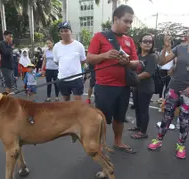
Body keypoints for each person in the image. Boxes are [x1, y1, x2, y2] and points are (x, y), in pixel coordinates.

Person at [147, 22, 189, 159]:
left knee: (184, 120)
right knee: (167, 116)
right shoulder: (179, 48)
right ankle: (158, 140)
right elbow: (161, 62)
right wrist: (166, 47)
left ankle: (181, 145)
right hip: (173, 88)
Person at [87, 5, 141, 154]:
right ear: (116, 19)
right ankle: (99, 145)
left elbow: (136, 62)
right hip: (105, 86)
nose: (129, 25)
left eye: (131, 22)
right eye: (126, 21)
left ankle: (118, 141)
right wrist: (104, 55)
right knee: (102, 119)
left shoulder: (129, 40)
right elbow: (89, 58)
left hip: (124, 86)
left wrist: (127, 62)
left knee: (120, 117)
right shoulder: (99, 36)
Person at [128, 33, 158, 139]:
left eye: (150, 42)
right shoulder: (137, 55)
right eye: (145, 41)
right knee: (137, 108)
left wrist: (132, 79)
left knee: (143, 110)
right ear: (140, 43)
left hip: (146, 88)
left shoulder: (153, 56)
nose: (148, 43)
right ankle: (138, 126)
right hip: (136, 87)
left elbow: (148, 73)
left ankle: (143, 132)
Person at [53, 21, 86, 101]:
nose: (64, 33)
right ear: (59, 34)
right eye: (62, 31)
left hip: (76, 78)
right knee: (66, 101)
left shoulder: (79, 45)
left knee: (78, 101)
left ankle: (78, 114)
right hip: (62, 79)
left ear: (71, 32)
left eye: (66, 30)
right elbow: (57, 61)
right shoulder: (56, 46)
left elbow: (83, 60)